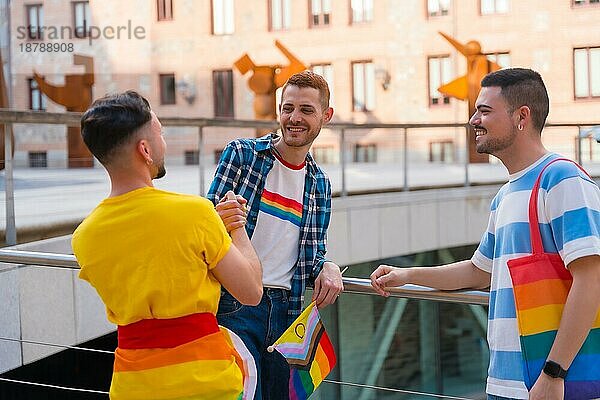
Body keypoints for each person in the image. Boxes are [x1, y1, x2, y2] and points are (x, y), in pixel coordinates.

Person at [370, 68, 600, 400]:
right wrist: (407, 275)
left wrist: (554, 373)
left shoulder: (562, 179)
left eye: (484, 111)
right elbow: (480, 271)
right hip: (504, 384)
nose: (473, 120)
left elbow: (591, 280)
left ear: (522, 116)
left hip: (552, 384)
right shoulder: (505, 196)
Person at [72, 90, 262, 400]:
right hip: (205, 382)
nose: (165, 142)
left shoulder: (84, 236)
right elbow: (251, 291)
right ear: (144, 150)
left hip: (132, 387)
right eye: (160, 132)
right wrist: (235, 226)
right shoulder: (195, 213)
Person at [208, 70, 344, 400]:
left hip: (287, 312)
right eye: (288, 108)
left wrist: (329, 266)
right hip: (234, 302)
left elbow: (313, 255)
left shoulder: (320, 185)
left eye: (306, 110)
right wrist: (218, 216)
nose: (294, 118)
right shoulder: (241, 155)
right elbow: (204, 230)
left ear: (326, 116)